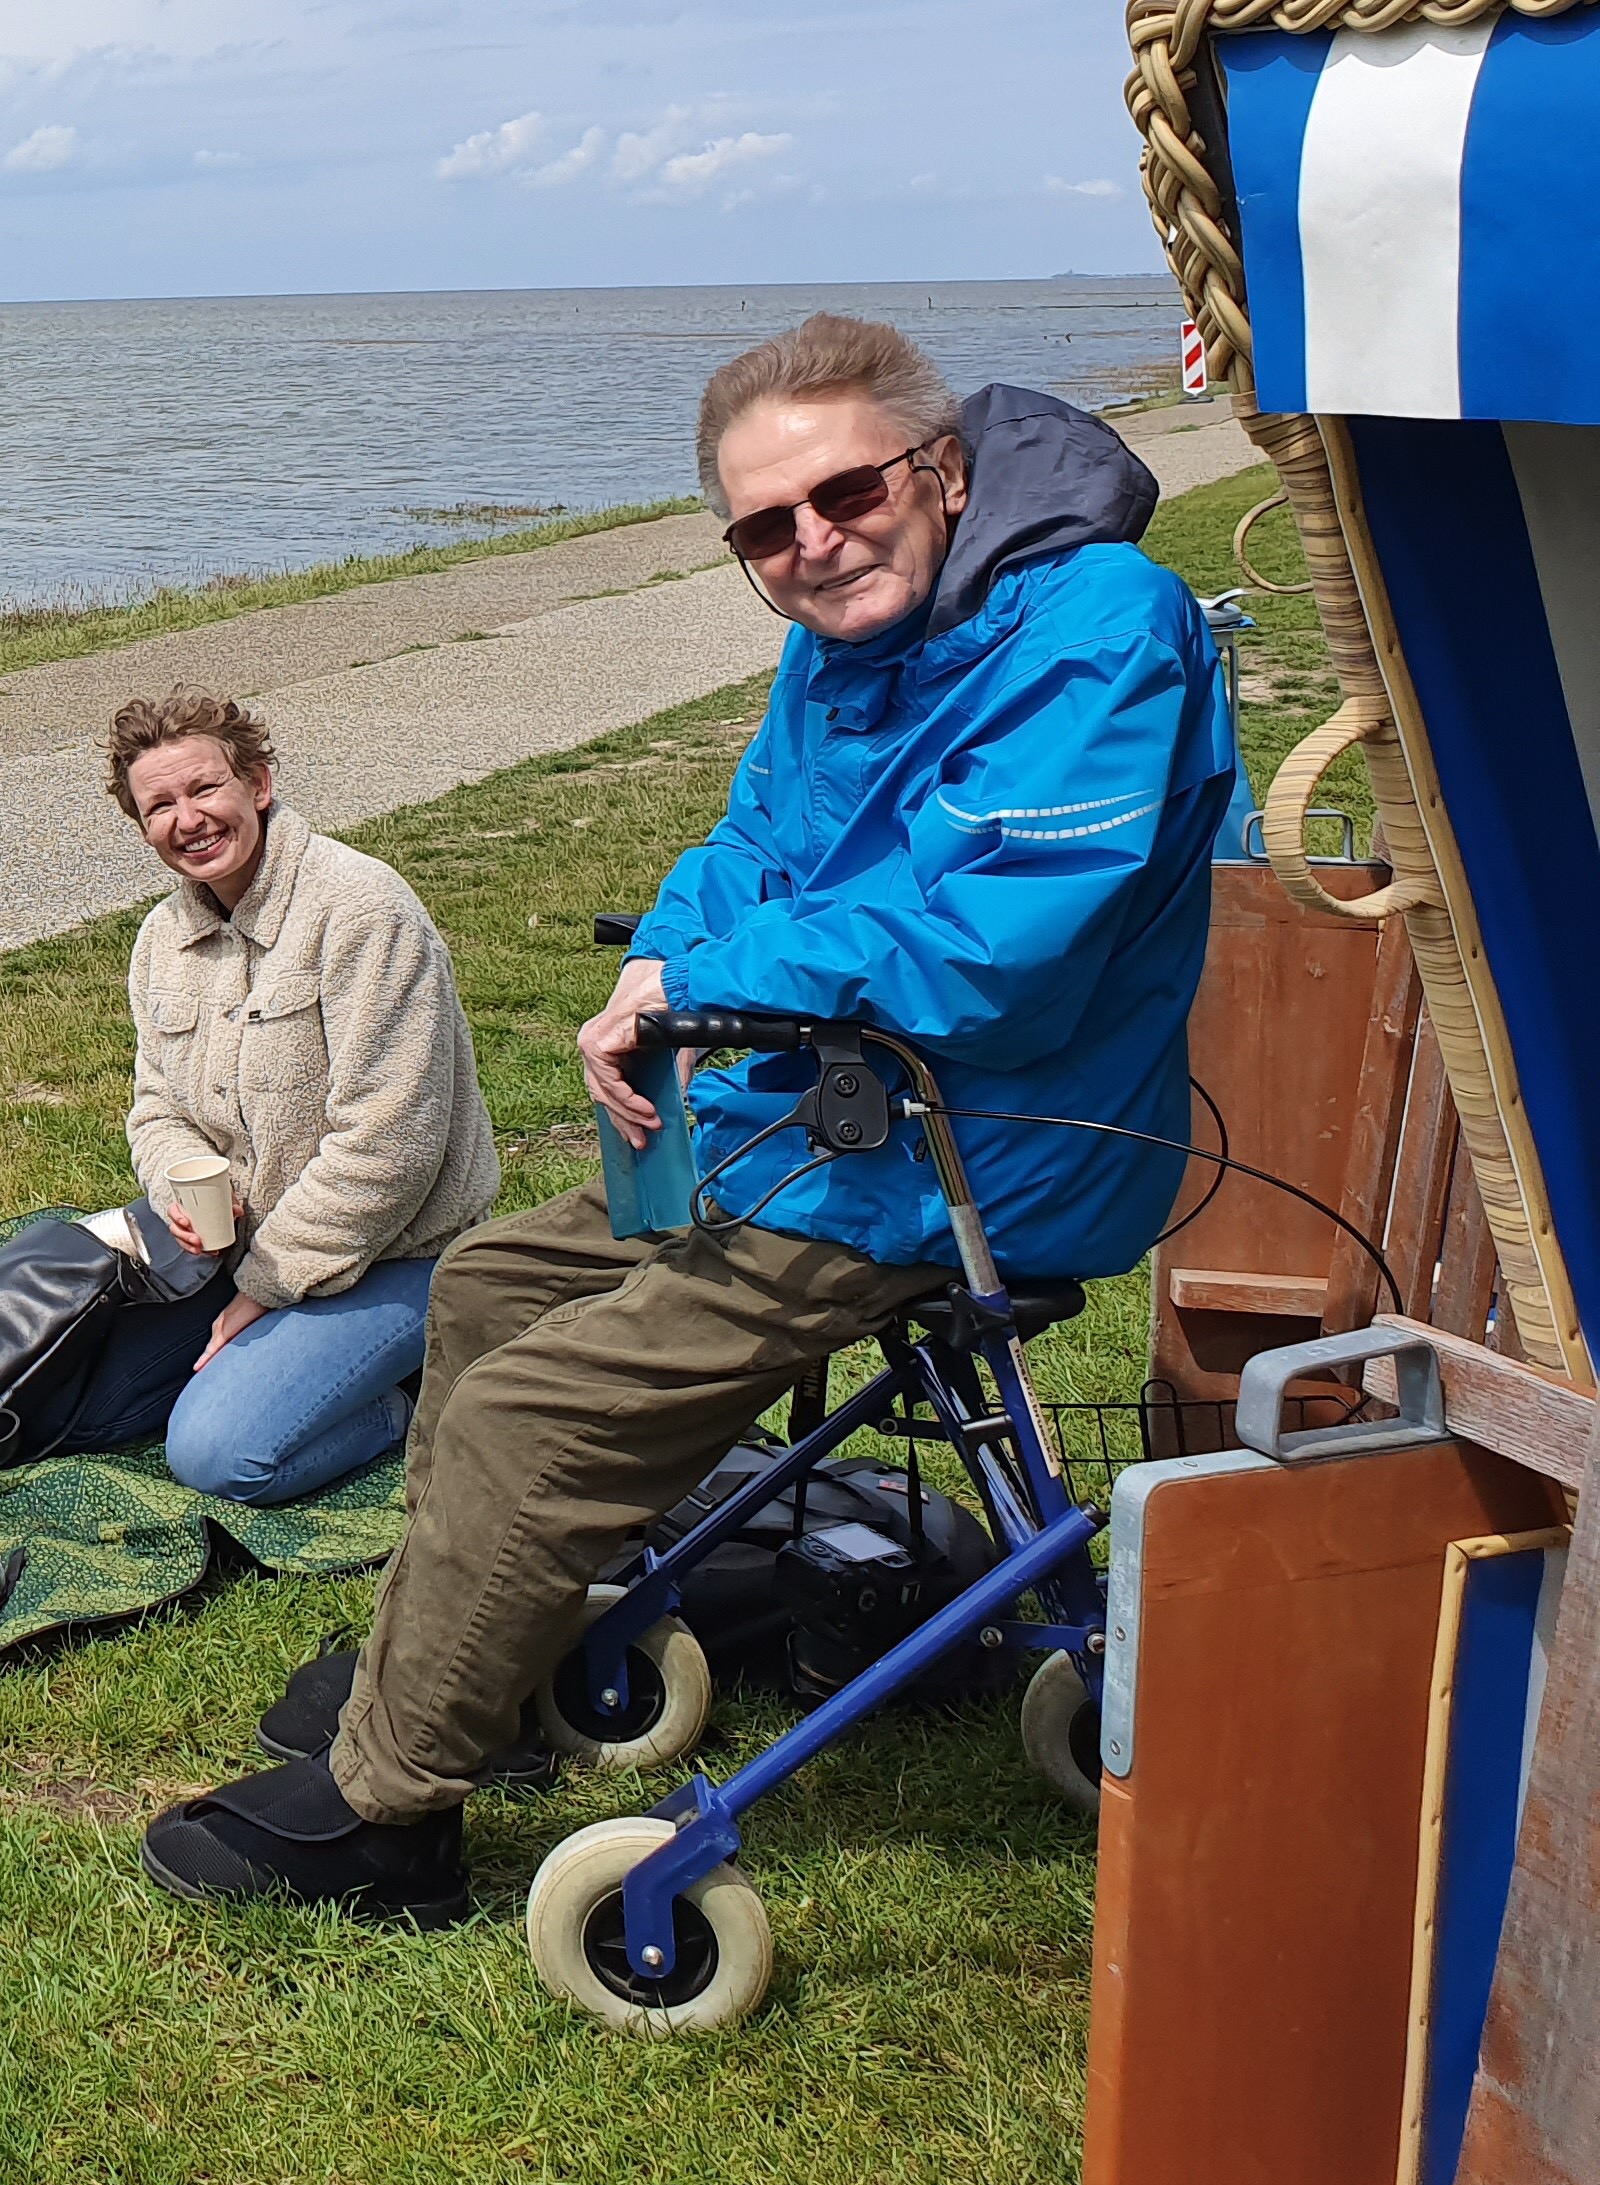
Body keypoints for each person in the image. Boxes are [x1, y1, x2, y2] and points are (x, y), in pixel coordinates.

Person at [141, 312, 1232, 1922]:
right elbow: (748, 844)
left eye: (846, 495)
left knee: (538, 1410)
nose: (812, 544)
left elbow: (996, 954)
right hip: (832, 1121)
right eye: (764, 530)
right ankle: (470, 1668)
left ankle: (389, 1816)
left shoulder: (1101, 633)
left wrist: (702, 986)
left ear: (937, 469)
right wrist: (665, 950)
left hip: (983, 1158)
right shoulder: (844, 645)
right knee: (491, 1286)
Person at [55, 690, 500, 1501]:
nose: (187, 819)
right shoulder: (162, 939)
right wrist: (183, 1183)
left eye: (205, 790)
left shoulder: (363, 910)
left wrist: (262, 1288)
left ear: (258, 782)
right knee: (91, 1402)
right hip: (236, 1245)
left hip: (400, 1254)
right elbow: (156, 1107)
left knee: (215, 1453)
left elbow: (390, 1148)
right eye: (160, 805)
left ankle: (417, 1397)